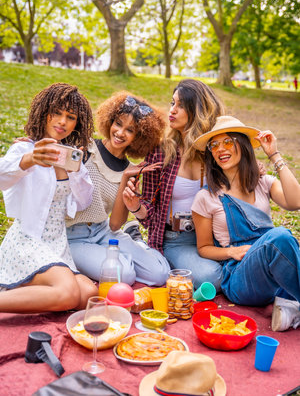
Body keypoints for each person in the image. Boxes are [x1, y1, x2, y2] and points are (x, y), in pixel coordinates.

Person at [191, 115, 300, 331]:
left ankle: (289, 306)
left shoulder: (263, 183)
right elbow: (203, 248)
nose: (220, 149)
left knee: (279, 241)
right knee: (279, 238)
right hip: (240, 277)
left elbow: (295, 202)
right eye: (214, 145)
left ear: (242, 144)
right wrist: (231, 252)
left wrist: (274, 155)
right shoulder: (206, 197)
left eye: (228, 141)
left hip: (272, 272)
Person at [0, 83, 98, 313]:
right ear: (44, 113)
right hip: (27, 241)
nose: (62, 121)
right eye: (56, 113)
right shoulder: (25, 149)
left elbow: (84, 202)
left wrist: (75, 172)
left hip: (56, 244)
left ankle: (25, 287)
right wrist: (29, 159)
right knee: (69, 294)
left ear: (77, 124)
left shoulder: (71, 158)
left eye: (70, 117)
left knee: (88, 295)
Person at [122, 79, 225, 291]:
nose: (172, 110)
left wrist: (256, 169)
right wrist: (135, 207)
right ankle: (146, 248)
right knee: (212, 277)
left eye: (180, 106)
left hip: (215, 237)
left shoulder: (216, 151)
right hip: (176, 239)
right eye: (172, 103)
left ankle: (149, 254)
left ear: (197, 111)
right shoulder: (161, 152)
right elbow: (150, 213)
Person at [66, 91, 171, 286]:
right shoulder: (85, 149)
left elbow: (114, 225)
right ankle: (124, 255)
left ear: (138, 137)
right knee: (125, 275)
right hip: (73, 236)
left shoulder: (130, 170)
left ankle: (135, 242)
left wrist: (125, 178)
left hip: (104, 231)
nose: (120, 133)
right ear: (110, 122)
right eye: (118, 123)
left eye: (130, 130)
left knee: (160, 274)